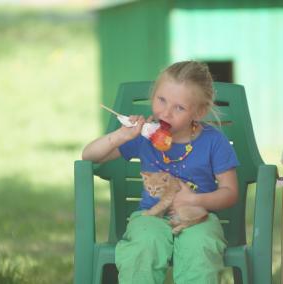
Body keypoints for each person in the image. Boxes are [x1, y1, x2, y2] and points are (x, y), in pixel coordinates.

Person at [82, 60, 239, 284]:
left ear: (199, 111)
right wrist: (120, 136)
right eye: (161, 100)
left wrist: (194, 199)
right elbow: (89, 155)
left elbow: (230, 192)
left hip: (196, 218)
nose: (166, 113)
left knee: (200, 247)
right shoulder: (144, 136)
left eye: (179, 108)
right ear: (153, 95)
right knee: (144, 244)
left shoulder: (214, 141)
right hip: (150, 216)